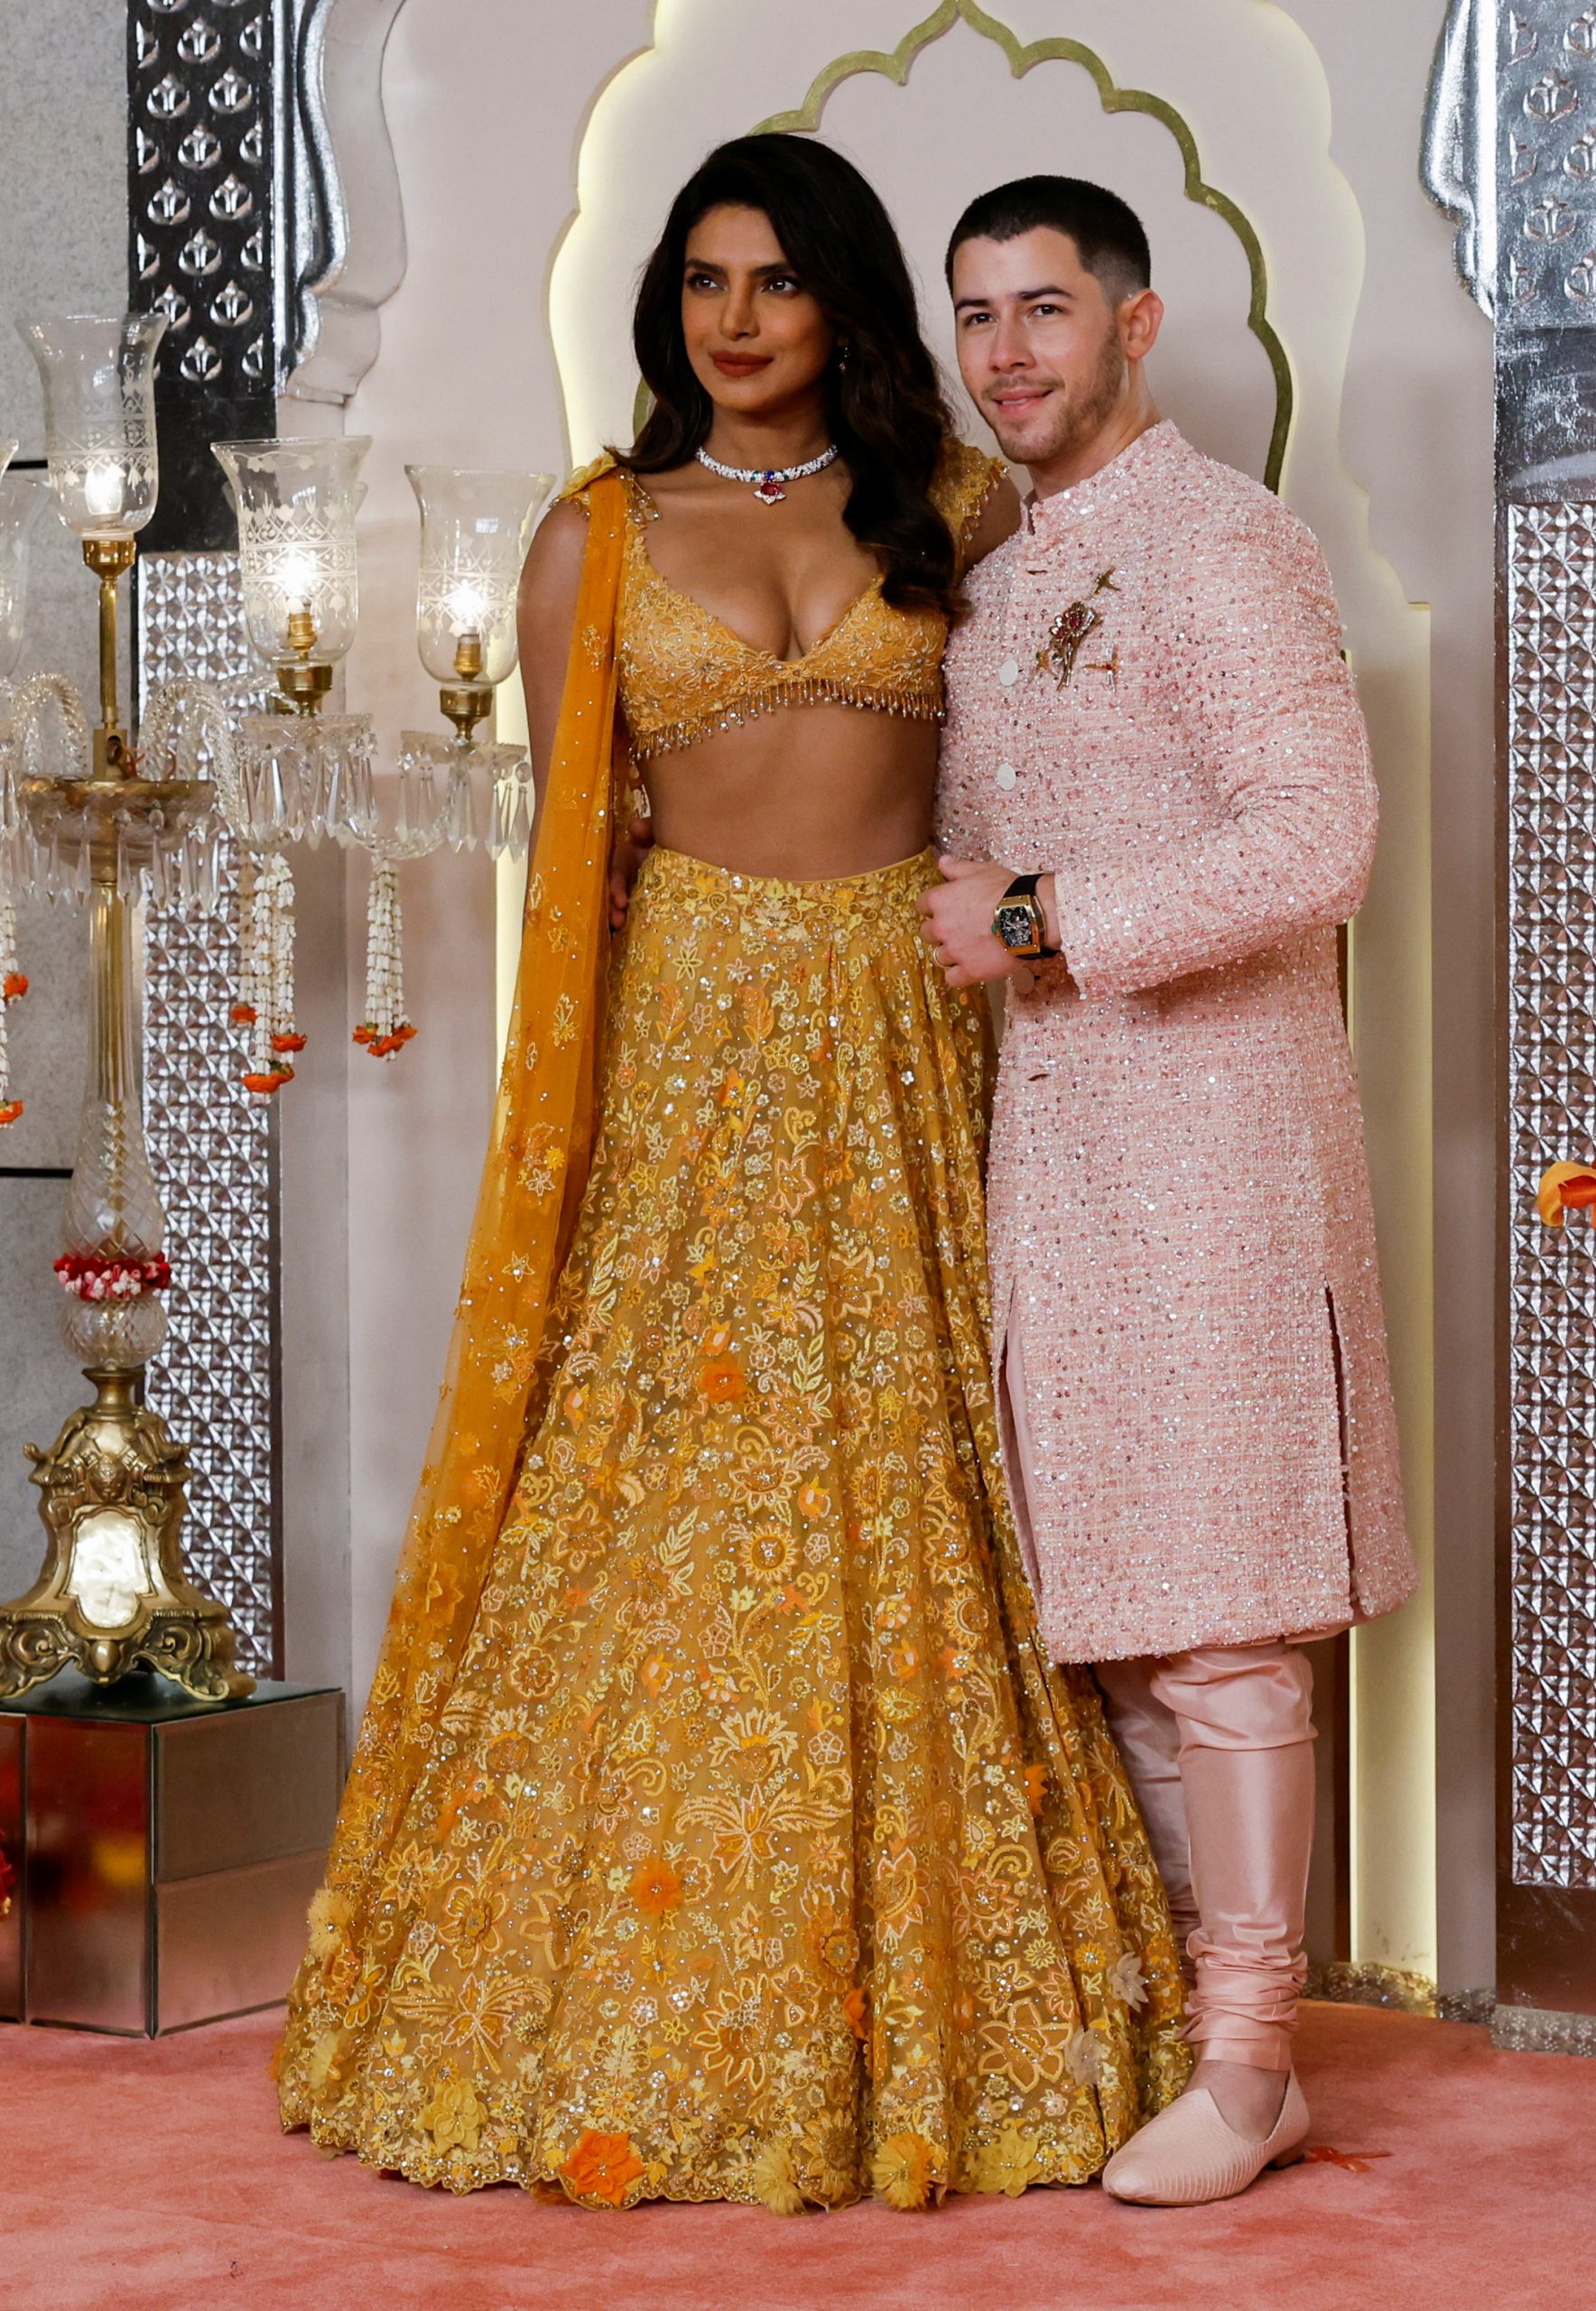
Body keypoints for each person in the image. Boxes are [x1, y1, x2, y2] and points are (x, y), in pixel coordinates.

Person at [275, 136, 1189, 2214]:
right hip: (689, 1051)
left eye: (775, 278)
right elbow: (572, 880)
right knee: (667, 1506)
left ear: (841, 296)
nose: (736, 318)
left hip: (907, 1037)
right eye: (703, 279)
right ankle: (617, 2000)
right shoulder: (595, 534)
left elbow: (1060, 777)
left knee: (923, 1474)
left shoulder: (958, 510)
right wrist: (569, 1165)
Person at [923, 174, 1416, 2206]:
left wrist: (1041, 913)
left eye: (1043, 309)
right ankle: (1186, 2037)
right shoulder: (991, 573)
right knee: (1121, 1624)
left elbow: (1319, 837)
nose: (1005, 354)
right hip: (1056, 1156)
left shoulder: (1222, 542)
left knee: (1217, 1622)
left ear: (1134, 322)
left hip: (1213, 1144)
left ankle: (1249, 2060)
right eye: (976, 315)